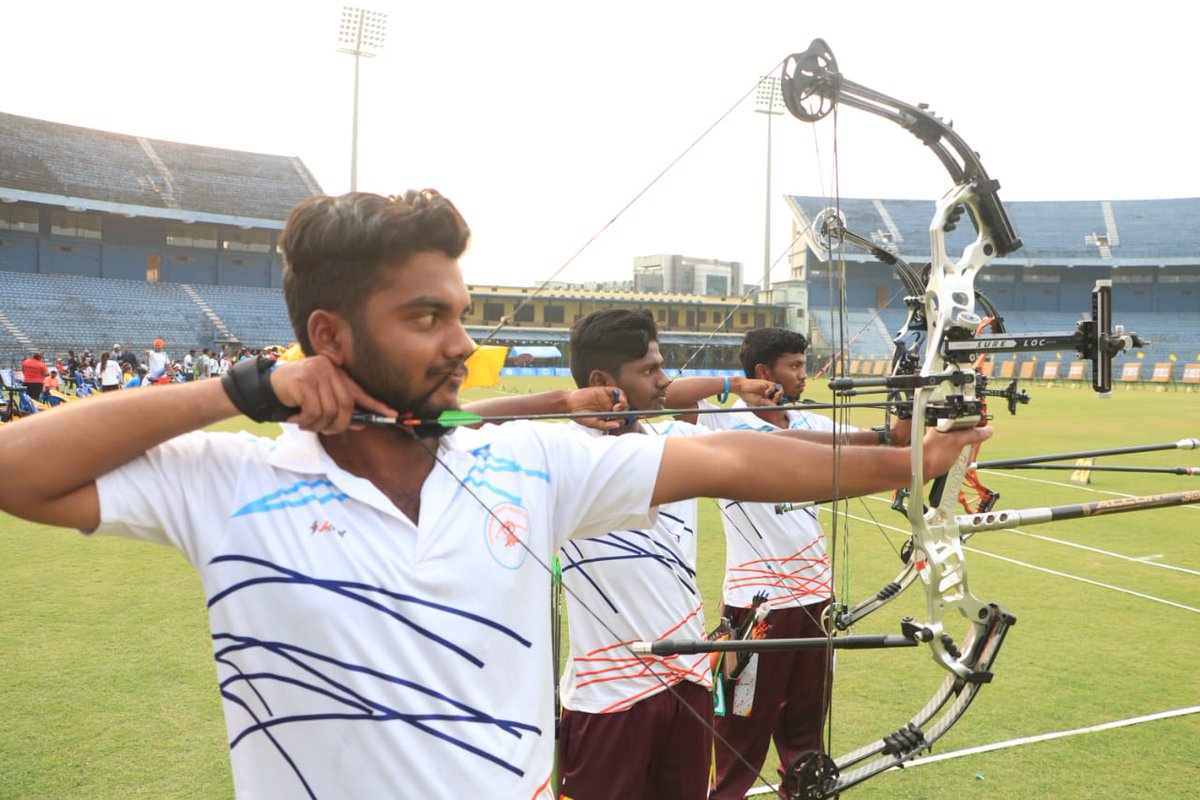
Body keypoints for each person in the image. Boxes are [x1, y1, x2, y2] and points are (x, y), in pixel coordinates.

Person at [0, 191, 986, 800]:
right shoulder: (229, 484)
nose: (462, 344)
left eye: (461, 315)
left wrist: (918, 450)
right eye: (427, 316)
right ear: (329, 336)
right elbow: (16, 467)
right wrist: (241, 389)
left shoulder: (529, 462)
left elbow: (735, 460)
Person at [555, 309, 780, 800]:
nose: (664, 382)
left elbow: (770, 451)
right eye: (650, 370)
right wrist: (558, 402)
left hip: (689, 682)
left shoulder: (675, 441)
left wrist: (890, 447)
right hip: (609, 697)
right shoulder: (563, 455)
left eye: (663, 366)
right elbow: (450, 424)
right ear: (601, 382)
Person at [686, 327, 899, 800]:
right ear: (764, 373)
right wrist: (734, 387)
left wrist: (921, 400)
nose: (805, 375)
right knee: (740, 731)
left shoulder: (808, 424)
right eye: (795, 366)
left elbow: (886, 441)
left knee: (805, 728)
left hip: (815, 601)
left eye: (804, 364)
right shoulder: (720, 426)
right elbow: (670, 398)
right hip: (757, 609)